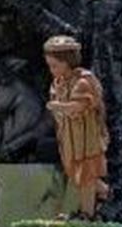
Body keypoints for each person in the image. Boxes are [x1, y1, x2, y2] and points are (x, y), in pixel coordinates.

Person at [42, 35, 109, 217]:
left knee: (86, 176)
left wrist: (59, 107)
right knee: (76, 173)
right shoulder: (58, 83)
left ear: (67, 62)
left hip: (86, 140)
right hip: (69, 139)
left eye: (54, 65)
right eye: (50, 65)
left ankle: (87, 214)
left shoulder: (82, 81)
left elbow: (80, 106)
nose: (51, 70)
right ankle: (105, 192)